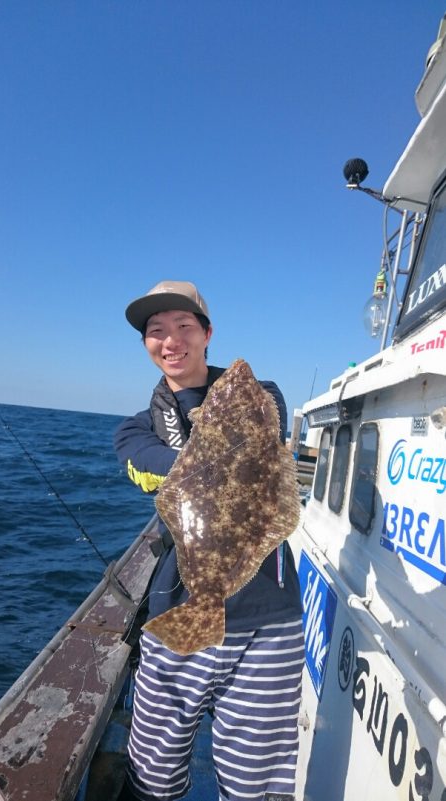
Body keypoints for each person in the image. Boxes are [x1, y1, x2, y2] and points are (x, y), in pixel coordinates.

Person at [115, 280, 304, 801]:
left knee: (255, 783)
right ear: (147, 344)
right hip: (181, 611)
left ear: (206, 334)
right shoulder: (134, 432)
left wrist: (213, 454)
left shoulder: (260, 396)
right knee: (152, 775)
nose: (171, 340)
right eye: (157, 331)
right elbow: (151, 467)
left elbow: (262, 441)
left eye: (184, 326)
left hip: (268, 619)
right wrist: (211, 462)